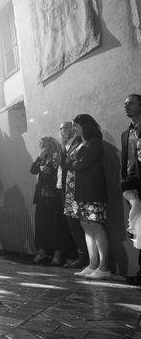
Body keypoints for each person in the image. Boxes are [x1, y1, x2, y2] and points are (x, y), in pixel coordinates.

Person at [65, 114, 111, 280]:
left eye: (76, 125)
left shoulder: (95, 142)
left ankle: (104, 267)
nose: (74, 128)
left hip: (91, 189)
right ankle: (92, 264)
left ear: (86, 126)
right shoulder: (77, 143)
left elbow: (82, 163)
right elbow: (67, 161)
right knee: (86, 227)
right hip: (76, 190)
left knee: (96, 226)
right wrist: (71, 162)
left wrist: (72, 163)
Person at [30, 136, 74, 265]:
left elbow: (61, 174)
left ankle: (57, 253)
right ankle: (42, 251)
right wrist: (39, 157)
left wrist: (50, 172)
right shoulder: (42, 158)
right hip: (42, 196)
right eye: (41, 145)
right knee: (42, 225)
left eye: (44, 145)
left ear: (50, 145)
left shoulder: (57, 156)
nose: (42, 147)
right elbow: (33, 170)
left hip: (54, 195)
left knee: (56, 225)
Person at [57, 121, 89, 268]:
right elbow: (63, 165)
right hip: (63, 188)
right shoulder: (63, 146)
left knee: (81, 223)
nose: (61, 132)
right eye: (60, 129)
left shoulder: (79, 142)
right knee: (72, 224)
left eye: (63, 129)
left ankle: (87, 257)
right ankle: (80, 255)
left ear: (71, 129)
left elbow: (69, 164)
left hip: (77, 187)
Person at [121, 94, 141, 285]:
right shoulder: (126, 134)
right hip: (132, 187)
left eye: (131, 103)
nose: (126, 107)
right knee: (138, 230)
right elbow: (126, 161)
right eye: (125, 105)